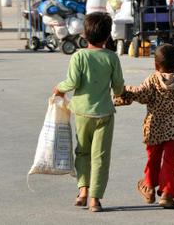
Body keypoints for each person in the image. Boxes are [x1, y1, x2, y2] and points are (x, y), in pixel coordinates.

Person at [53, 12, 124, 212]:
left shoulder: (78, 56)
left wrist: (59, 88)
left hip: (82, 114)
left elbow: (72, 82)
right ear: (108, 37)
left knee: (82, 152)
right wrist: (121, 95)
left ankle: (82, 191)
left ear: (84, 35)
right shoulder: (112, 58)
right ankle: (95, 199)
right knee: (100, 157)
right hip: (104, 114)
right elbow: (118, 87)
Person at [114, 44, 174, 209]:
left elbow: (139, 94)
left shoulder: (152, 80)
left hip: (154, 129)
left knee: (153, 158)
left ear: (156, 65)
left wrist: (121, 91)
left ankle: (149, 187)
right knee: (171, 161)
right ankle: (167, 193)